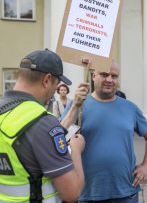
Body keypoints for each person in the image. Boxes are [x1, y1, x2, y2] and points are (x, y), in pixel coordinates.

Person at [62, 61, 147, 203]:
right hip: (89, 192)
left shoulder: (129, 107)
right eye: (104, 74)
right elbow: (58, 135)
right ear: (94, 76)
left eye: (114, 76)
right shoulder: (78, 105)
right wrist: (75, 107)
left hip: (126, 191)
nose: (109, 79)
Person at [0, 49, 89, 203]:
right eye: (56, 83)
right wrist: (76, 150)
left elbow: (32, 140)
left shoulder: (6, 112)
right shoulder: (43, 122)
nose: (56, 89)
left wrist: (74, 106)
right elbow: (71, 193)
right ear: (47, 79)